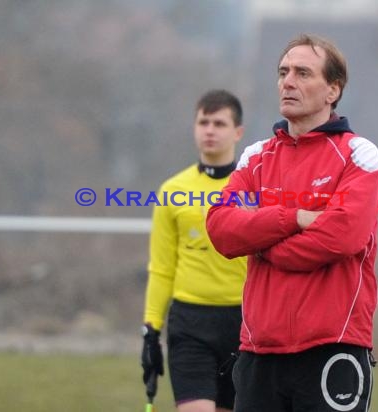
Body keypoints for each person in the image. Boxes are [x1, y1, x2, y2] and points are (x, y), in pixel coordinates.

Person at [206, 34, 378, 412]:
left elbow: (340, 238)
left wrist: (262, 241)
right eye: (283, 72)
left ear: (332, 90)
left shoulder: (359, 154)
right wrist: (294, 218)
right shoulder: (254, 158)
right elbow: (221, 228)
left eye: (303, 73)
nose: (288, 81)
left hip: (332, 348)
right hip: (258, 353)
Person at [141, 89, 247, 412]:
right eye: (204, 122)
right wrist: (150, 328)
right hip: (190, 322)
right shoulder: (172, 191)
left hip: (244, 322)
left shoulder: (255, 189)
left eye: (219, 122)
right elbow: (161, 267)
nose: (210, 130)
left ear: (238, 132)